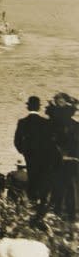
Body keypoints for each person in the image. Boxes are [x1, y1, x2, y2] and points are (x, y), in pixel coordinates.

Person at [14, 96, 54, 206]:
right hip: (43, 154)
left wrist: (23, 151)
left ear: (28, 107)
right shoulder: (45, 122)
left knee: (32, 174)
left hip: (29, 154)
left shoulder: (22, 122)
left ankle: (33, 199)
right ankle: (42, 199)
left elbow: (17, 141)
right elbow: (50, 140)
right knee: (42, 175)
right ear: (38, 108)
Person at [46, 93, 79, 222]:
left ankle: (58, 212)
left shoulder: (51, 125)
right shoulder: (75, 125)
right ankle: (69, 214)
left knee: (58, 186)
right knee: (70, 187)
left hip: (59, 161)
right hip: (71, 161)